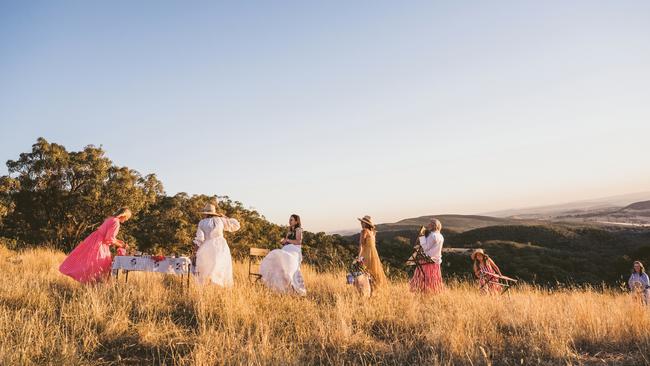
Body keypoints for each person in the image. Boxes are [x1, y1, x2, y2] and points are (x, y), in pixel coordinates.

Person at [59, 207, 131, 283]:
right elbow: (108, 238)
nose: (126, 220)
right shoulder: (116, 222)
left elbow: (107, 235)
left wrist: (119, 241)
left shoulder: (110, 219)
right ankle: (94, 284)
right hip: (99, 243)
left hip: (94, 239)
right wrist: (121, 246)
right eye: (127, 218)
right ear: (124, 215)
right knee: (99, 264)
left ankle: (89, 283)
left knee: (88, 261)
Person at [193, 202, 240, 287]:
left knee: (206, 269)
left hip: (207, 246)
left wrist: (195, 251)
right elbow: (236, 226)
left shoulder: (202, 223)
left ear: (205, 214)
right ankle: (218, 288)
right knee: (220, 267)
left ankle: (207, 287)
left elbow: (199, 239)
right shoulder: (220, 220)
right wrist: (225, 217)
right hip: (221, 246)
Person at [259, 214, 307, 295]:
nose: (289, 221)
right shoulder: (289, 231)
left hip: (294, 250)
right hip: (287, 248)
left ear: (296, 221)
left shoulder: (298, 229)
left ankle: (294, 286)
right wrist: (284, 242)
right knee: (277, 257)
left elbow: (298, 242)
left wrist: (287, 240)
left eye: (291, 220)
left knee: (288, 260)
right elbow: (287, 242)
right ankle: (279, 286)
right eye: (289, 219)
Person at [409, 218, 444, 293]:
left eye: (430, 224)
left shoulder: (432, 235)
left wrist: (422, 237)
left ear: (434, 225)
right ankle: (433, 290)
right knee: (433, 277)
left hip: (427, 259)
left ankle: (422, 290)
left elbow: (426, 247)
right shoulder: (440, 236)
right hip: (436, 260)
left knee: (422, 276)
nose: (428, 226)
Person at [357, 215, 387, 288]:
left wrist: (359, 257)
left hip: (366, 254)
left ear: (366, 224)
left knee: (364, 272)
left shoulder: (364, 231)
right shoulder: (373, 232)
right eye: (361, 222)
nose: (361, 223)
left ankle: (365, 289)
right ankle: (374, 288)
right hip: (374, 254)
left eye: (363, 222)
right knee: (374, 272)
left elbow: (361, 245)